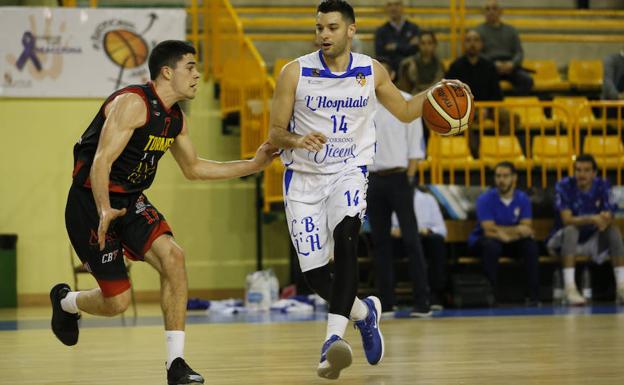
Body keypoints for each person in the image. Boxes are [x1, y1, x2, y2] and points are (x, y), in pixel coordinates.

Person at [50, 40, 277, 385]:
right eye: (190, 67)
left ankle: (176, 364)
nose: (197, 75)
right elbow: (101, 162)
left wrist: (254, 164)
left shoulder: (174, 120)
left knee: (174, 257)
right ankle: (66, 301)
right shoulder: (132, 104)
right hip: (89, 203)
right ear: (167, 72)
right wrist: (103, 209)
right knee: (118, 302)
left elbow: (195, 168)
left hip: (129, 199)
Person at [268, 0, 469, 379]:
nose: (323, 35)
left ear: (350, 30)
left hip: (349, 170)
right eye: (318, 28)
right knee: (314, 275)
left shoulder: (370, 71)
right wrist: (296, 138)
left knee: (347, 239)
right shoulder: (294, 73)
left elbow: (408, 113)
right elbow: (275, 132)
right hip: (304, 179)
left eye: (330, 27)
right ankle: (365, 313)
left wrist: (437, 91)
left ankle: (331, 342)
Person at [368, 59, 431, 316]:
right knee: (379, 242)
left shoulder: (407, 102)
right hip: (372, 179)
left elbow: (416, 147)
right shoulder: (363, 104)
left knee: (411, 239)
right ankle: (387, 303)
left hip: (400, 178)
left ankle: (422, 302)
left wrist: (410, 177)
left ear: (391, 73)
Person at [547, 154, 624, 305]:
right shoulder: (564, 186)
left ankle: (621, 287)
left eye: (586, 170)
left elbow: (610, 213)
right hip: (562, 242)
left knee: (613, 230)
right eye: (578, 170)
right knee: (571, 229)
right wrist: (593, 218)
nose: (581, 174)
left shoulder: (603, 185)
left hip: (590, 241)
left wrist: (605, 218)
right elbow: (566, 219)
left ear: (594, 173)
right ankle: (570, 289)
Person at [468, 161, 540, 304]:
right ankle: (491, 296)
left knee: (530, 247)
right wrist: (516, 230)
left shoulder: (523, 199)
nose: (501, 180)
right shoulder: (485, 199)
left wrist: (506, 234)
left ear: (514, 178)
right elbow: (488, 229)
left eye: (505, 176)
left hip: (510, 240)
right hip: (486, 240)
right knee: (491, 247)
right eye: (498, 176)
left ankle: (533, 296)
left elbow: (526, 227)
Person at [391, 187, 448, 309]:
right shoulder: (390, 198)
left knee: (436, 242)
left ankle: (434, 296)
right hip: (400, 240)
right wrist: (393, 231)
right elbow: (383, 227)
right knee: (385, 246)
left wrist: (429, 230)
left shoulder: (428, 199)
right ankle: (389, 298)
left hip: (424, 239)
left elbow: (442, 230)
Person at [475, 0, 533, 95]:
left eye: (494, 8)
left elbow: (519, 52)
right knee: (482, 80)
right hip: (489, 67)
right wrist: (493, 64)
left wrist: (512, 64)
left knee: (527, 80)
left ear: (500, 11)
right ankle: (492, 108)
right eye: (487, 9)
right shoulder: (478, 31)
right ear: (484, 13)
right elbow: (478, 54)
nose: (491, 11)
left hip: (510, 66)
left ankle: (513, 106)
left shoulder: (511, 30)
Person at [446, 29, 503, 102]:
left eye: (476, 40)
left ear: (481, 43)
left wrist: (487, 109)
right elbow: (449, 92)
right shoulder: (456, 66)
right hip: (461, 110)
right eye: (468, 40)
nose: (472, 44)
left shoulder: (489, 65)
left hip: (487, 110)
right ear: (464, 44)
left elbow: (497, 94)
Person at [374, 0, 420, 74]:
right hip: (390, 69)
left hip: (409, 67)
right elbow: (380, 55)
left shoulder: (414, 28)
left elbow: (415, 50)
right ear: (386, 8)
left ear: (402, 7)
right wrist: (407, 46)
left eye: (397, 4)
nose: (393, 8)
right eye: (390, 5)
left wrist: (396, 46)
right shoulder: (381, 31)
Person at [397, 30, 445, 95]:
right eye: (423, 43)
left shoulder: (439, 65)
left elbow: (438, 86)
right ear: (418, 45)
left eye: (430, 43)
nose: (426, 47)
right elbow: (404, 89)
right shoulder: (408, 64)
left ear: (435, 45)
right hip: (412, 97)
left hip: (433, 97)